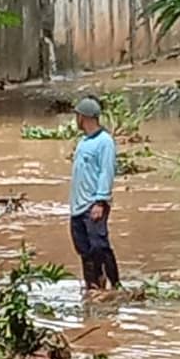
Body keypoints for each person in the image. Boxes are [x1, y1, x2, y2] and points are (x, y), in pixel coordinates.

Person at [69, 96, 120, 291]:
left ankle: (115, 284)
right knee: (84, 250)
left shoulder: (104, 142)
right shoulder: (83, 142)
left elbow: (106, 172)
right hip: (78, 206)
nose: (76, 120)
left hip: (93, 205)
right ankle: (93, 287)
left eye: (77, 116)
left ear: (83, 117)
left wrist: (100, 202)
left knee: (99, 245)